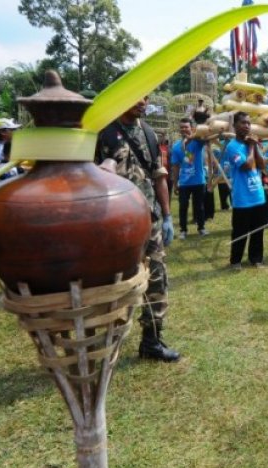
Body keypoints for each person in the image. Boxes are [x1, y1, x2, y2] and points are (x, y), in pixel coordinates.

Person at [96, 96, 180, 362]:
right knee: (115, 283)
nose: (143, 102)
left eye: (146, 97)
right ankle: (106, 343)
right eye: (136, 96)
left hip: (149, 219)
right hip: (115, 223)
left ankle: (152, 341)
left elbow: (159, 176)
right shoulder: (102, 133)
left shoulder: (148, 133)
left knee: (157, 278)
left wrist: (167, 216)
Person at [223, 111, 267, 269]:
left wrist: (253, 146)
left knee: (258, 231)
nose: (247, 126)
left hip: (258, 195)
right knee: (240, 232)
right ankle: (235, 261)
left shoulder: (251, 144)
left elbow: (261, 165)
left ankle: (256, 259)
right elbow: (246, 165)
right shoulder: (232, 147)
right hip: (242, 197)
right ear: (235, 126)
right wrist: (250, 147)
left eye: (249, 123)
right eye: (243, 123)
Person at [170, 118, 208, 239]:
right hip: (184, 183)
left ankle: (201, 228)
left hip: (198, 180)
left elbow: (206, 139)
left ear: (191, 128)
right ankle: (183, 230)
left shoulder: (197, 142)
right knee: (183, 207)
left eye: (186, 127)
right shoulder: (176, 147)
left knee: (199, 206)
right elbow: (175, 167)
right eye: (182, 127)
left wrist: (191, 138)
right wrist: (175, 183)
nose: (184, 129)